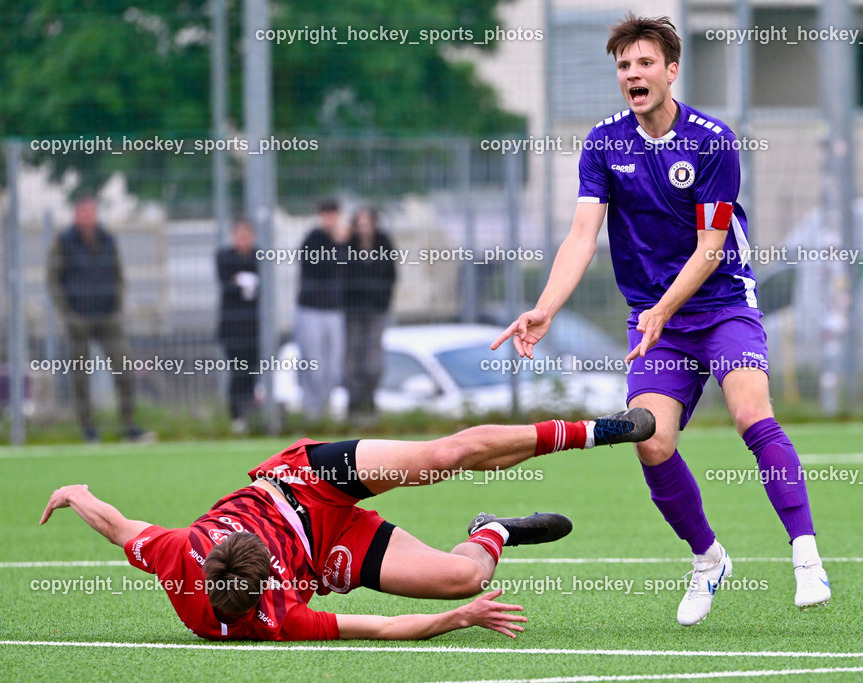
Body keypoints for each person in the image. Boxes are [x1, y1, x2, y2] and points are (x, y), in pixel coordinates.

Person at [493, 14, 830, 626]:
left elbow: (710, 248)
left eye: (645, 63)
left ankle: (806, 555)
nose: (633, 74)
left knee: (752, 413)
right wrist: (545, 307)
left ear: (671, 71)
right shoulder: (603, 144)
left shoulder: (712, 141)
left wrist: (662, 310)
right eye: (624, 66)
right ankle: (707, 559)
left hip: (722, 303)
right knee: (650, 438)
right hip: (657, 320)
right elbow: (579, 237)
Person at [39, 408, 655, 641]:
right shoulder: (280, 619)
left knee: (443, 459)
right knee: (464, 579)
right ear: (269, 592)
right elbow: (385, 627)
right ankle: (494, 528)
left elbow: (121, 527)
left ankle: (590, 432)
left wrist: (75, 491)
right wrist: (457, 618)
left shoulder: (178, 557)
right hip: (333, 546)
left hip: (305, 480)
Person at [45, 195, 152, 443]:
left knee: (124, 367)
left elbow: (118, 275)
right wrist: (68, 314)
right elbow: (53, 280)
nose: (87, 217)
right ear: (76, 215)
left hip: (108, 317)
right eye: (82, 212)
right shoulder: (64, 242)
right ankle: (88, 428)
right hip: (78, 319)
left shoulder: (108, 240)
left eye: (91, 212)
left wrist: (116, 308)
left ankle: (128, 424)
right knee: (81, 375)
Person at [295, 200, 349, 420]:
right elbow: (321, 267)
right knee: (313, 365)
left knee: (334, 368)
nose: (330, 218)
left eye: (333, 213)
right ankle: (311, 414)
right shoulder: (313, 239)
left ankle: (325, 411)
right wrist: (337, 244)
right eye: (326, 213)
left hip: (334, 310)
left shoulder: (346, 241)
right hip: (311, 310)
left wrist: (343, 244)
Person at [342, 207, 397, 420]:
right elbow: (343, 275)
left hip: (376, 310)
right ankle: (353, 404)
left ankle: (369, 400)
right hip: (353, 310)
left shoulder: (384, 242)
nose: (364, 227)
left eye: (368, 222)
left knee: (373, 360)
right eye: (360, 222)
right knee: (353, 357)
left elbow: (390, 275)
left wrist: (381, 300)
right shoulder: (348, 246)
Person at [216, 218, 260, 433]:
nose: (243, 239)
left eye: (246, 234)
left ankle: (250, 413)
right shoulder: (224, 256)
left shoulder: (260, 257)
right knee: (238, 371)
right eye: (239, 234)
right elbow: (227, 283)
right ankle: (236, 415)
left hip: (255, 327)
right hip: (233, 328)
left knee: (253, 371)